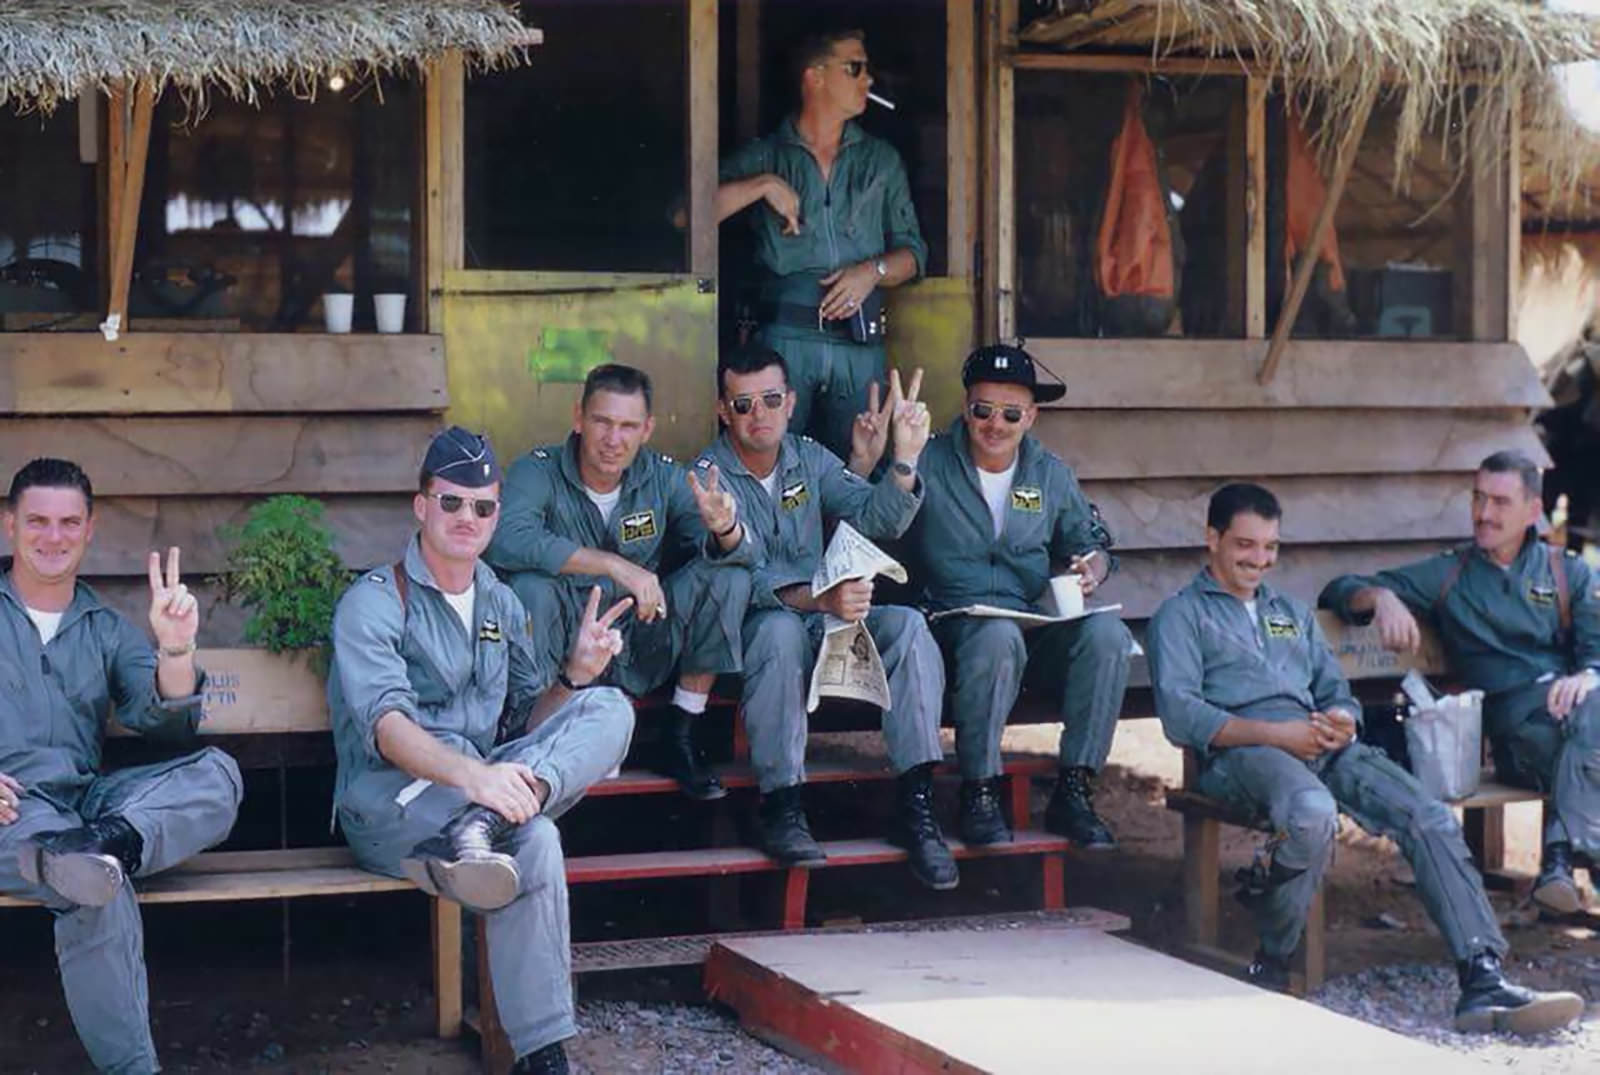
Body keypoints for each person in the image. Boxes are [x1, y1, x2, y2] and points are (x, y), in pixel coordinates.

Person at [1147, 482, 1582, 1033]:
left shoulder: (1289, 612)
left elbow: (1333, 687)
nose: (1259, 560)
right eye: (1245, 545)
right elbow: (1182, 716)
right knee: (1310, 812)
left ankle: (1481, 977)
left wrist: (1343, 717)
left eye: (1270, 547)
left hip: (1320, 744)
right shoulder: (1182, 616)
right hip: (1245, 754)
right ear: (1212, 539)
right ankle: (1271, 963)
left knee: (1425, 814)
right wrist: (1280, 736)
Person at [329, 427, 635, 1075]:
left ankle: (541, 1056)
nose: (467, 517)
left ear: (497, 514)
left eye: (483, 506)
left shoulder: (499, 597)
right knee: (539, 839)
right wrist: (478, 779)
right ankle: (543, 1054)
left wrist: (576, 675)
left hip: (478, 806)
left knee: (609, 706)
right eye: (452, 502)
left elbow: (529, 718)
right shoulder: (375, 601)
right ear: (421, 506)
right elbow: (386, 727)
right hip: (391, 801)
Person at [0, 457, 242, 1074]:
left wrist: (175, 646)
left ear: (90, 530)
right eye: (38, 522)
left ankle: (106, 845)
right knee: (93, 889)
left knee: (218, 774)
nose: (53, 537)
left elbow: (167, 721)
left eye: (68, 523)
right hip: (13, 813)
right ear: (9, 526)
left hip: (89, 807)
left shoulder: (104, 625)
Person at [696, 344, 954, 889]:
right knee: (777, 630)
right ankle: (783, 805)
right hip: (751, 642)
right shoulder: (706, 478)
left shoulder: (808, 458)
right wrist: (817, 598)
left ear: (790, 402)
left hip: (825, 622)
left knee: (907, 627)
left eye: (770, 400)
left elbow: (874, 516)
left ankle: (917, 804)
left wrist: (904, 460)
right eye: (743, 405)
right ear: (724, 411)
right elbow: (735, 580)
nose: (758, 414)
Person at [1319, 450, 1600, 917]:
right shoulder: (1451, 575)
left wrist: (1587, 677)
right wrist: (1382, 597)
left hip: (1579, 730)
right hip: (1518, 738)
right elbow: (1341, 587)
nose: (1483, 513)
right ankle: (1569, 856)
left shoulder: (1565, 571)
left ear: (1533, 511)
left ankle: (1558, 862)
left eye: (1499, 502)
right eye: (1478, 498)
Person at [486, 364, 756, 800]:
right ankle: (532, 737)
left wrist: (725, 529)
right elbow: (504, 540)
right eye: (602, 422)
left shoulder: (665, 477)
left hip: (638, 643)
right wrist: (612, 564)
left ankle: (681, 733)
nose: (615, 440)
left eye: (629, 426)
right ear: (578, 418)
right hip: (564, 651)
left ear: (647, 429)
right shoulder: (537, 471)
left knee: (728, 576)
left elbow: (745, 555)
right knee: (530, 586)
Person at [902, 344, 1131, 848]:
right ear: (966, 408)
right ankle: (979, 791)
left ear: (1030, 416)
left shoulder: (1049, 473)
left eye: (1010, 413)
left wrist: (1092, 567)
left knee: (1108, 636)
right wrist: (886, 459)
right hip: (948, 629)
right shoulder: (931, 460)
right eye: (983, 410)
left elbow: (1092, 543)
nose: (995, 424)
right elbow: (881, 523)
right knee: (997, 634)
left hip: (1026, 630)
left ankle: (1075, 791)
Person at [715, 27, 927, 460]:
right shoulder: (766, 155)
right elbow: (687, 215)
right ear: (815, 77)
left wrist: (873, 272)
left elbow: (915, 254)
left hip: (859, 347)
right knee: (771, 470)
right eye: (855, 67)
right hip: (784, 343)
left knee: (860, 472)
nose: (868, 79)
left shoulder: (881, 161)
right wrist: (762, 185)